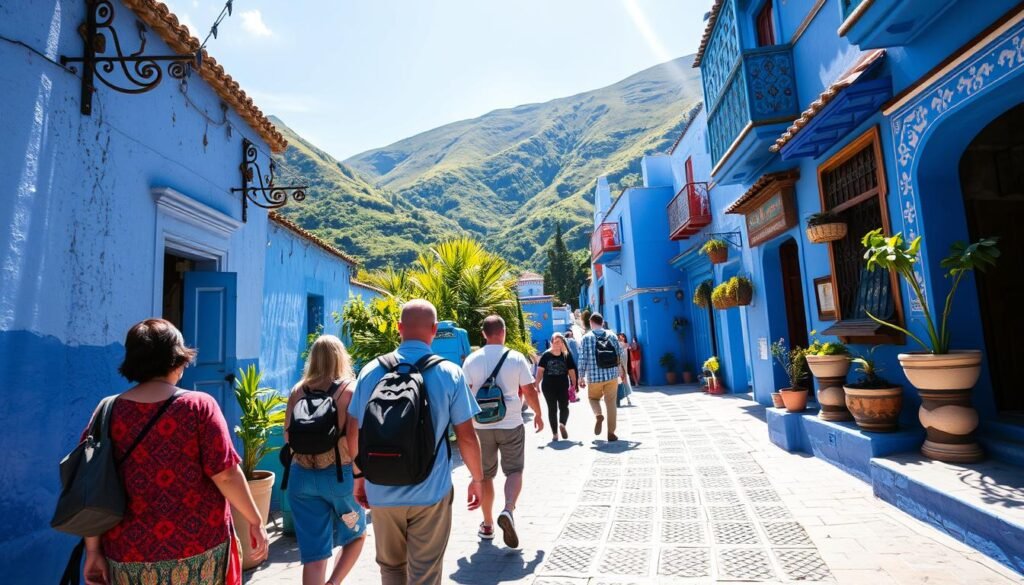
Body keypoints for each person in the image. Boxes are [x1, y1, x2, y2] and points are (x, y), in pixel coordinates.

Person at [82, 319, 267, 585]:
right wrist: (255, 520)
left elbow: (92, 487)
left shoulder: (106, 411)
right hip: (197, 552)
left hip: (127, 554)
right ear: (176, 359)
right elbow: (226, 475)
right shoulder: (199, 407)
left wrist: (93, 550)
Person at [346, 299, 485, 585]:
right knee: (425, 572)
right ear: (434, 329)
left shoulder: (371, 370)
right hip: (430, 492)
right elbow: (467, 437)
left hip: (381, 490)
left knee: (391, 568)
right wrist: (478, 478)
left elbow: (353, 430)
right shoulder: (450, 373)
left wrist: (359, 477)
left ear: (399, 328)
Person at [285, 335, 365, 585]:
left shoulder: (298, 390)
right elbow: (355, 439)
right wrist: (360, 476)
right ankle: (334, 583)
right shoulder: (350, 390)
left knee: (314, 554)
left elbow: (288, 436)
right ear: (342, 357)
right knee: (355, 535)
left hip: (301, 482)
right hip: (340, 482)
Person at [462, 315, 544, 548]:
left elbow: (465, 395)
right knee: (514, 471)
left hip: (481, 426)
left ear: (484, 334)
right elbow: (529, 390)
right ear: (504, 331)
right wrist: (538, 414)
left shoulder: (471, 360)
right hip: (511, 424)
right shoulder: (516, 358)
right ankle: (508, 510)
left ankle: (487, 525)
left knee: (485, 475)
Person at [577, 312, 624, 442]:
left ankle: (598, 415)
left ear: (591, 323)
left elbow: (582, 358)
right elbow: (620, 353)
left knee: (593, 398)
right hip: (611, 376)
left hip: (594, 377)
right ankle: (611, 433)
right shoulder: (612, 335)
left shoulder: (586, 338)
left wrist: (581, 376)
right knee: (611, 404)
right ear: (602, 322)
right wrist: (621, 370)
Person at [536, 332, 578, 441]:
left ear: (563, 343)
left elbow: (571, 371)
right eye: (555, 342)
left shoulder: (566, 355)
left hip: (563, 386)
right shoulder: (546, 355)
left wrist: (574, 384)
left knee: (564, 407)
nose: (557, 344)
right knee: (552, 409)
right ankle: (555, 433)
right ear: (551, 342)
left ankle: (562, 424)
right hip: (548, 386)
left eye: (560, 342)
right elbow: (540, 371)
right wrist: (537, 384)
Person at [616, 332, 634, 407]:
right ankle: (625, 398)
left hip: (624, 365)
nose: (621, 338)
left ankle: (624, 398)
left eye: (622, 336)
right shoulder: (619, 344)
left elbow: (631, 347)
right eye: (620, 336)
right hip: (621, 365)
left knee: (622, 381)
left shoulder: (623, 344)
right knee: (622, 381)